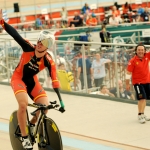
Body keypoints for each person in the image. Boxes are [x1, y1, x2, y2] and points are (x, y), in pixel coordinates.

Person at [0, 9, 65, 150]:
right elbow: (14, 34)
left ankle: (33, 123)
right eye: (40, 39)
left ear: (49, 46)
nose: (41, 42)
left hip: (32, 81)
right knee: (23, 105)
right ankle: (24, 138)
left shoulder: (48, 60)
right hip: (18, 79)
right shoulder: (28, 47)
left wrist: (61, 101)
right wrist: (2, 22)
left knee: (45, 106)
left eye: (45, 41)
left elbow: (55, 80)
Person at [126, 43, 150, 124]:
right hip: (138, 83)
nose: (140, 51)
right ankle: (139, 115)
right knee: (141, 99)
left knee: (145, 98)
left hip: (147, 81)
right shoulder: (132, 61)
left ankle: (143, 114)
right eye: (139, 50)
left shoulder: (147, 56)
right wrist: (127, 84)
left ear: (144, 51)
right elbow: (128, 73)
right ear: (136, 51)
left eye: (142, 50)